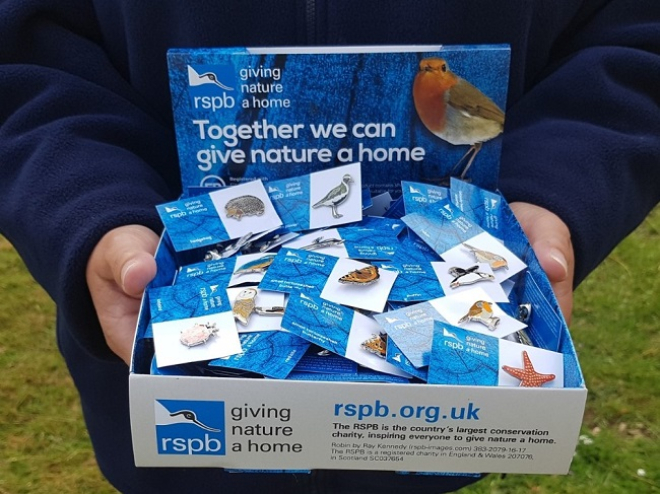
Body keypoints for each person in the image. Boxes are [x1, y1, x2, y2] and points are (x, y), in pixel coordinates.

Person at [0, 1, 658, 492]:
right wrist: (92, 209)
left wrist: (551, 191)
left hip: (429, 430)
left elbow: (634, 40)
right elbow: (25, 60)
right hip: (185, 427)